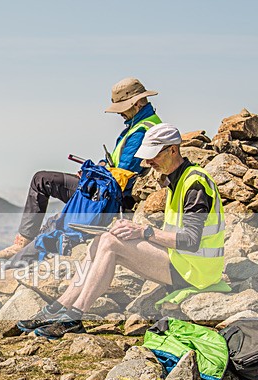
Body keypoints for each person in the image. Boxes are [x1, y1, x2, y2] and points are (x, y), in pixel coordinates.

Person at [16, 123, 225, 339]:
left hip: (197, 270)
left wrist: (144, 231)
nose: (149, 162)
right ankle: (59, 308)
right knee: (101, 239)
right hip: (186, 263)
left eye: (153, 155)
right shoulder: (179, 180)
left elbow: (191, 240)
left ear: (173, 150)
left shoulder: (195, 183)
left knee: (110, 243)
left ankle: (73, 317)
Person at [0, 77, 162, 260]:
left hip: (106, 195)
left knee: (41, 180)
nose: (120, 114)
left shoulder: (141, 131)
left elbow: (123, 173)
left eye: (122, 108)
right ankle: (24, 248)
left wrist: (93, 172)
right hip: (106, 189)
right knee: (50, 209)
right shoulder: (142, 124)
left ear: (137, 103)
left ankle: (21, 244)